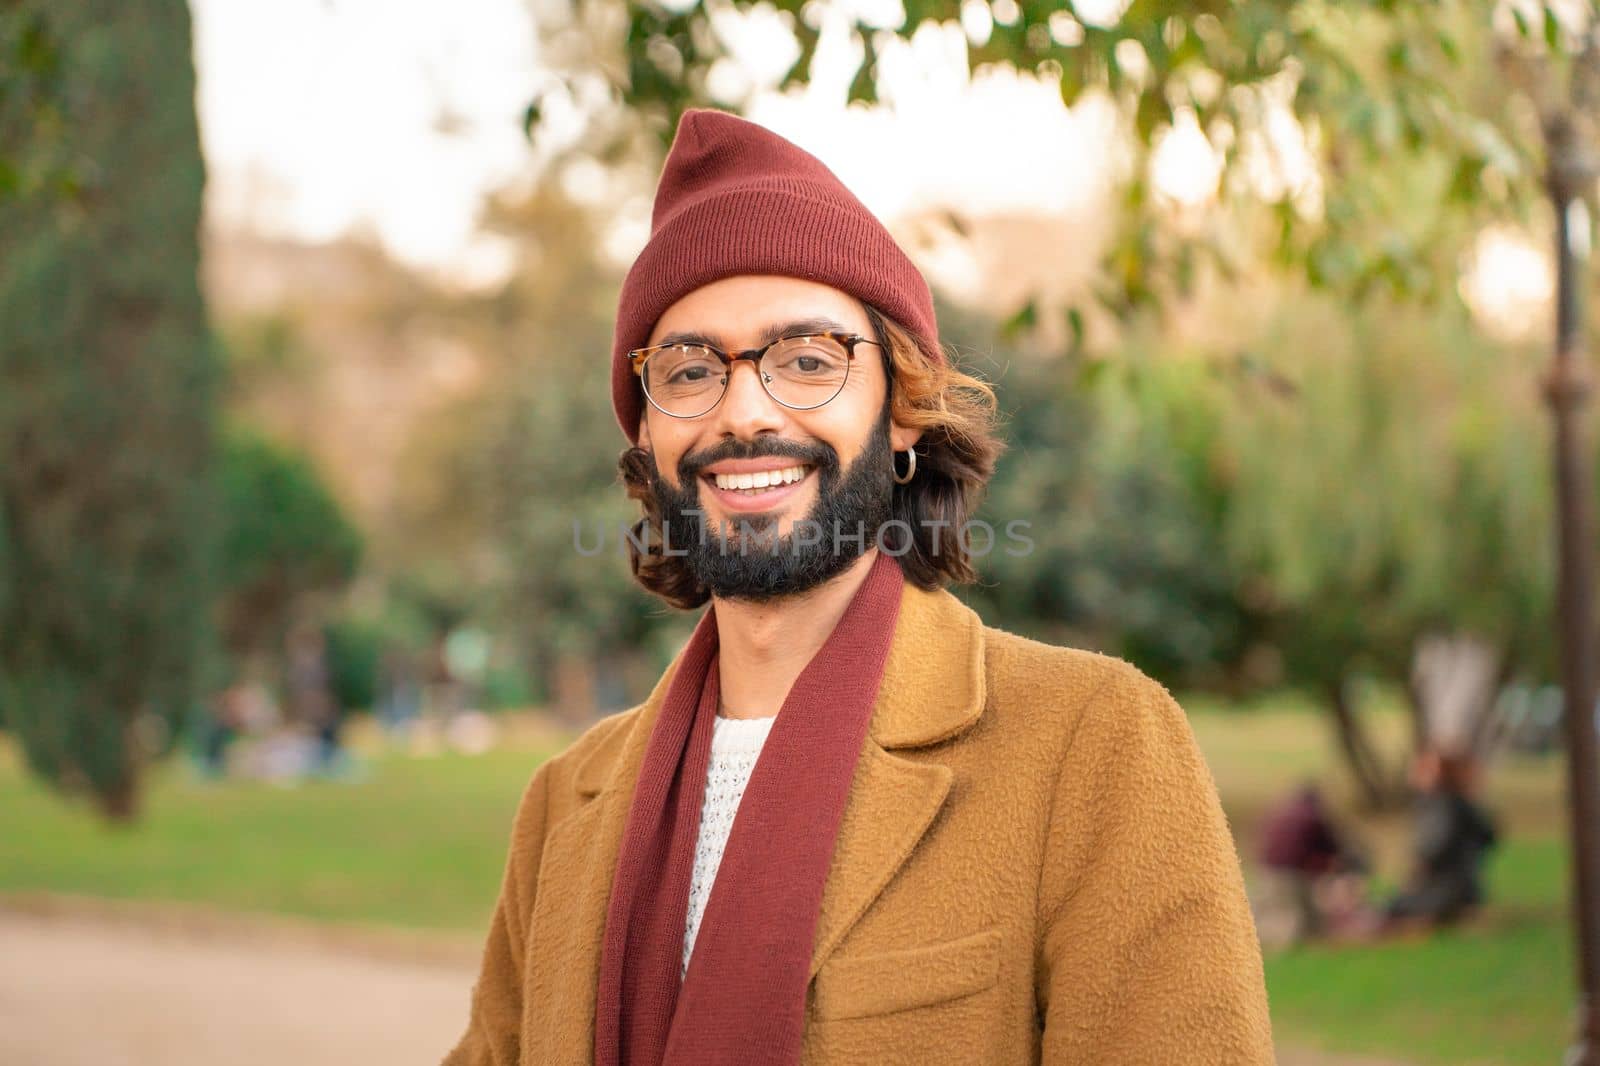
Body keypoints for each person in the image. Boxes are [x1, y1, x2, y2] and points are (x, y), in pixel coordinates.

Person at [444, 108, 1272, 1065]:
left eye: (807, 360)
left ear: (904, 412)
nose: (744, 411)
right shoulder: (563, 804)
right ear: (647, 434)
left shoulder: (1094, 745)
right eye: (688, 368)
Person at [1383, 747, 1500, 932]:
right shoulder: (1446, 802)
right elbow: (1489, 836)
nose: (1415, 772)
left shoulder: (1445, 803)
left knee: (1393, 908)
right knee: (1393, 904)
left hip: (1447, 888)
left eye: (1423, 768)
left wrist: (1421, 866)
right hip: (1462, 885)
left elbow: (1437, 848)